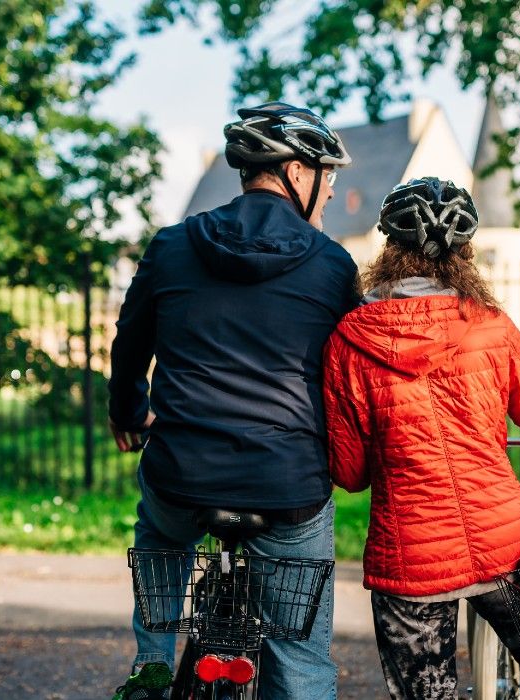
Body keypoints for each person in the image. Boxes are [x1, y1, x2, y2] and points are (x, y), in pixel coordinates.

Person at [322, 177, 520, 700]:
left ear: (389, 250)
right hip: (504, 544)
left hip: (411, 558)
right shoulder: (492, 326)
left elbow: (348, 473)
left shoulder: (350, 339)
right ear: (466, 253)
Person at [108, 102, 359, 700]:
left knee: (162, 533)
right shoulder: (332, 265)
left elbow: (130, 344)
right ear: (297, 172)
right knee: (300, 659)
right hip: (286, 482)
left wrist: (129, 414)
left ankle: (153, 666)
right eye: (327, 176)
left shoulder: (171, 246)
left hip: (183, 470)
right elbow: (351, 376)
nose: (329, 192)